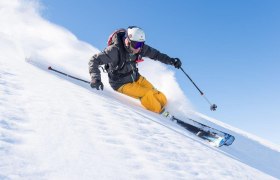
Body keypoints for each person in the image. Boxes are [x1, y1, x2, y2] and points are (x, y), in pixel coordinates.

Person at [88, 26, 182, 114]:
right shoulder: (114, 51)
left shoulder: (139, 48)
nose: (139, 48)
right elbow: (94, 60)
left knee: (160, 97)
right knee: (147, 94)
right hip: (121, 83)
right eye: (136, 44)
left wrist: (171, 61)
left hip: (136, 78)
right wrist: (95, 78)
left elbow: (156, 54)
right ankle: (161, 114)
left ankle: (164, 108)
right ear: (128, 41)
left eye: (141, 44)